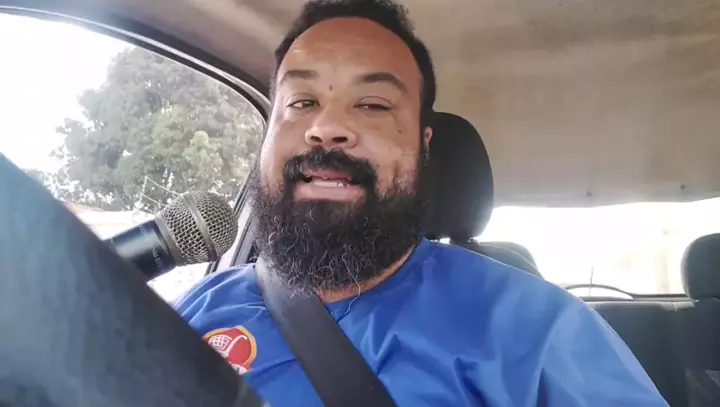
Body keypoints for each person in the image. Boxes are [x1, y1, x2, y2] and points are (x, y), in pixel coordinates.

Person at [175, 0, 669, 405]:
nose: (325, 127)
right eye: (301, 103)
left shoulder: (536, 332)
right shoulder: (200, 308)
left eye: (373, 105)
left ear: (423, 147)